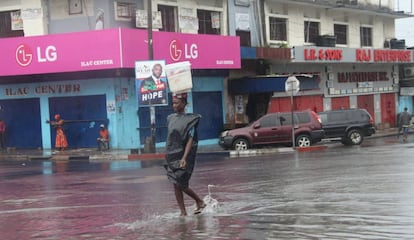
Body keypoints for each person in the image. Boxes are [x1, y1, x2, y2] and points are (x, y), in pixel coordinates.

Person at [164, 93, 205, 216]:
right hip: (171, 156)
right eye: (173, 103)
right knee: (175, 184)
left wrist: (184, 158)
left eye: (176, 103)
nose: (174, 105)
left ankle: (199, 201)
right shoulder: (170, 118)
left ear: (183, 104)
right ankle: (183, 212)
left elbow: (190, 140)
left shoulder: (190, 120)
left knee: (180, 184)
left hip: (183, 156)